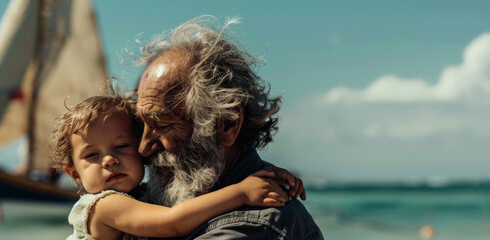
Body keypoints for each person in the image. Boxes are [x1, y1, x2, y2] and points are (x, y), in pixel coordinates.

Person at [133, 15, 324, 239]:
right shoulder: (167, 199)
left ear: (227, 125)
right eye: (140, 124)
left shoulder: (253, 226)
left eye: (163, 124)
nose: (143, 149)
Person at [50, 95, 305, 240]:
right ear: (74, 174)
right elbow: (172, 221)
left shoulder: (139, 195)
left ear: (141, 150)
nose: (109, 160)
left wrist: (266, 172)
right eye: (92, 155)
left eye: (121, 147)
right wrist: (241, 192)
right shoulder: (104, 206)